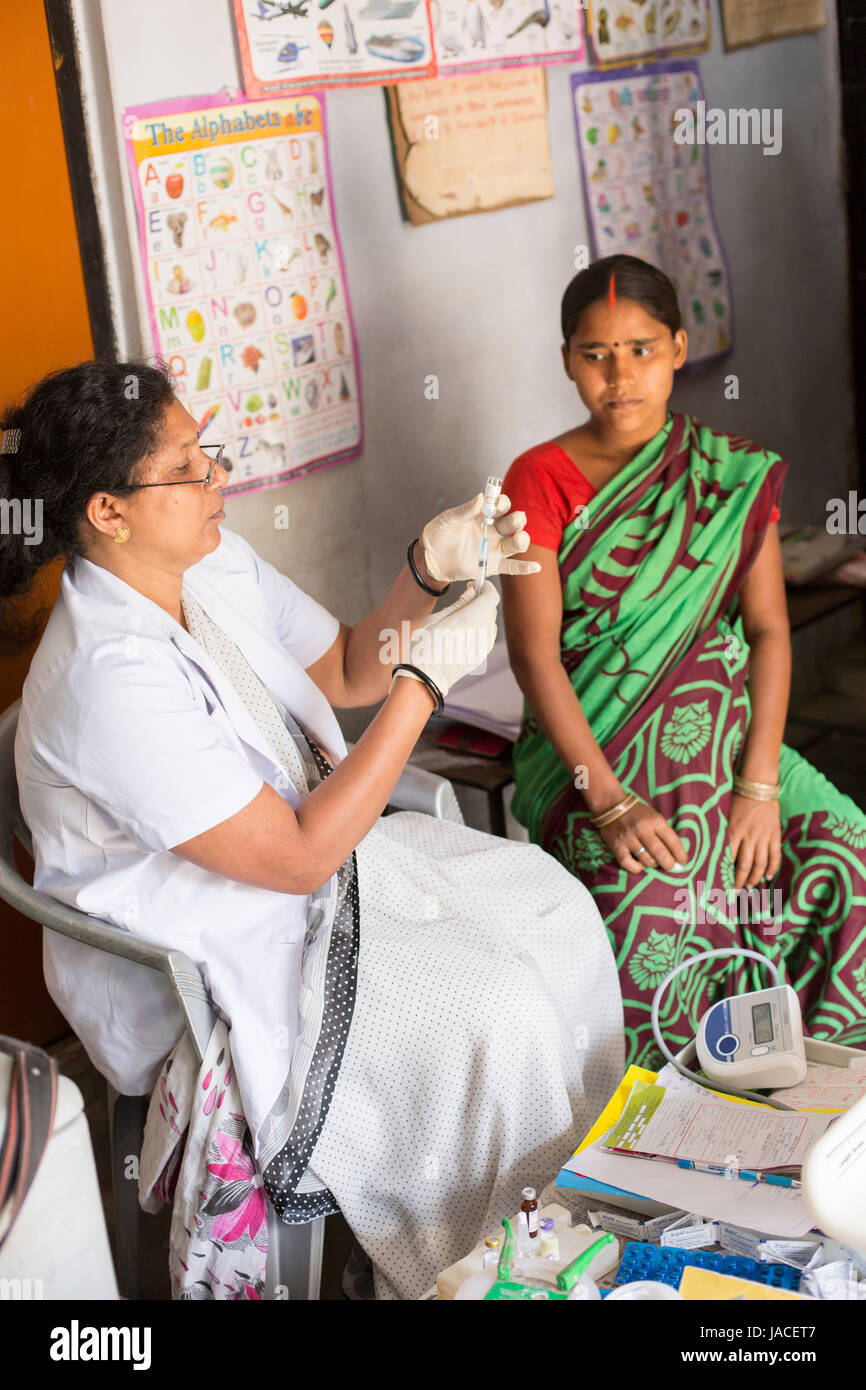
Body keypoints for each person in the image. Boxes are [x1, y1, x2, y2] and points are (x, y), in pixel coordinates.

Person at [1, 360, 624, 1300]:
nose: (220, 480)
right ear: (107, 512)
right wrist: (426, 683)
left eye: (207, 452)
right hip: (229, 938)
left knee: (556, 910)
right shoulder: (105, 680)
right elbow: (294, 861)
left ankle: (566, 1221)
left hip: (324, 863)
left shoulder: (205, 565)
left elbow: (338, 667)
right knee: (496, 1013)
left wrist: (426, 569)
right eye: (188, 467)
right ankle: (476, 1267)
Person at [501, 253, 866, 1070]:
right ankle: (671, 1135)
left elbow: (769, 630)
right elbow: (534, 657)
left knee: (849, 855)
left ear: (677, 347)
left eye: (640, 349)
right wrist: (611, 802)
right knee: (661, 910)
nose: (618, 375)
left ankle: (816, 1097)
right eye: (594, 354)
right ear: (567, 361)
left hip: (730, 742)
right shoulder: (540, 480)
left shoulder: (730, 472)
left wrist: (760, 786)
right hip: (592, 754)